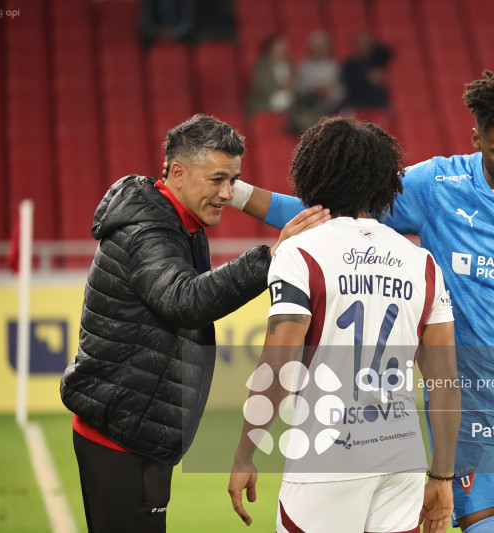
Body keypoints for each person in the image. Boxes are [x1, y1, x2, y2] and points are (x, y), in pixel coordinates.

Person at [168, 69, 494, 532]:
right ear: (476, 140)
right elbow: (327, 209)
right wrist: (230, 190)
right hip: (463, 414)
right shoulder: (437, 186)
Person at [60, 114, 329, 533]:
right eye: (218, 180)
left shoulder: (174, 218)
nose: (227, 194)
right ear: (179, 173)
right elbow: (183, 300)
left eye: (234, 181)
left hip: (134, 424)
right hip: (122, 432)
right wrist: (271, 258)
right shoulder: (148, 230)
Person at [227, 117, 461, 533]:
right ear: (383, 183)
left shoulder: (300, 252)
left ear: (311, 176)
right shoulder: (422, 264)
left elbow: (279, 363)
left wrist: (247, 451)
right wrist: (442, 477)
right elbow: (444, 380)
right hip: (401, 461)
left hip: (327, 458)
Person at [287, 31, 344, 132]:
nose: (320, 50)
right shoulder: (303, 66)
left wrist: (329, 92)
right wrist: (314, 88)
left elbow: (341, 91)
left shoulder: (334, 67)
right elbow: (298, 88)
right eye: (317, 47)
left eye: (322, 47)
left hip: (328, 105)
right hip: (308, 102)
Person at [340, 32, 392, 112]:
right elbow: (350, 86)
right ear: (355, 45)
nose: (364, 45)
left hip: (379, 103)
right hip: (357, 103)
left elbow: (388, 51)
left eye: (367, 42)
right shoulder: (350, 64)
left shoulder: (376, 59)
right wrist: (367, 78)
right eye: (361, 42)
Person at [245, 34, 294, 115]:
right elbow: (261, 85)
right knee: (286, 101)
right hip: (265, 100)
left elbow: (293, 83)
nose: (282, 50)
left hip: (285, 97)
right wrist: (280, 85)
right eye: (279, 47)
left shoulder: (287, 63)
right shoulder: (263, 64)